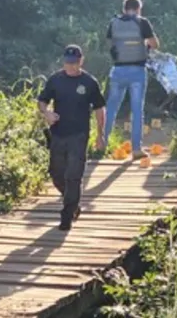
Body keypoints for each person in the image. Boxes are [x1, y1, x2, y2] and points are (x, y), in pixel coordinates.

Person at [38, 45, 107, 231]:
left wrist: (100, 135)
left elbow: (100, 109)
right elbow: (42, 100)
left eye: (75, 63)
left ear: (81, 61)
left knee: (73, 176)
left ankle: (67, 215)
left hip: (79, 135)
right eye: (68, 63)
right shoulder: (56, 80)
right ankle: (73, 202)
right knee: (57, 174)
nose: (71, 66)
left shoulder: (89, 82)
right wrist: (47, 113)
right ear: (64, 62)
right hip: (58, 134)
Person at [104, 0, 159, 161]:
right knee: (136, 110)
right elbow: (155, 44)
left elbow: (109, 44)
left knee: (111, 108)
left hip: (118, 70)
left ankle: (102, 142)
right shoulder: (142, 22)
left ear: (124, 8)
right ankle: (136, 149)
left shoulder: (114, 23)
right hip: (137, 71)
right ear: (139, 9)